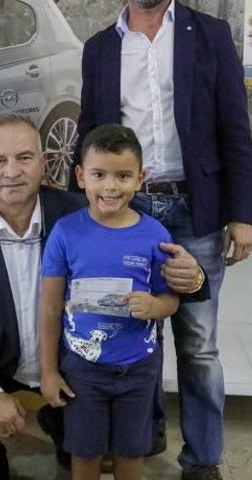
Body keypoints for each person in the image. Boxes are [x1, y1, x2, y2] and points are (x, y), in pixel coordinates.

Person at [0, 114, 205, 480]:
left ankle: (65, 432)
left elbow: (157, 254)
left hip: (81, 365)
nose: (12, 171)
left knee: (100, 451)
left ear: (44, 162)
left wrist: (194, 277)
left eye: (24, 157)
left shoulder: (88, 210)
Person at [73, 0, 252, 479]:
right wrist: (86, 210)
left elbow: (234, 127)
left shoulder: (211, 35)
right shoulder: (100, 48)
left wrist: (242, 213)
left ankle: (202, 460)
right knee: (132, 332)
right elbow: (90, 132)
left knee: (198, 343)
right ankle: (138, 444)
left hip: (194, 209)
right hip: (125, 208)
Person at [40, 124, 178, 480]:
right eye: (99, 175)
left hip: (139, 368)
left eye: (123, 176)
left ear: (140, 178)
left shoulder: (155, 235)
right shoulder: (65, 233)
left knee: (131, 454)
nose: (111, 187)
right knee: (84, 455)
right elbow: (51, 308)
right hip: (83, 369)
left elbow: (171, 300)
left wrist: (156, 307)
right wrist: (49, 371)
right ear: (81, 176)